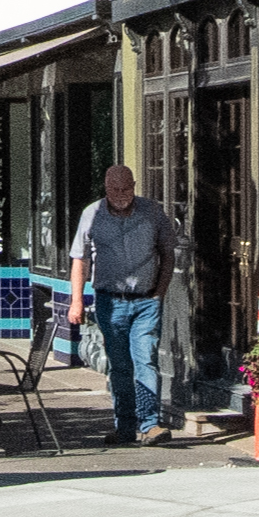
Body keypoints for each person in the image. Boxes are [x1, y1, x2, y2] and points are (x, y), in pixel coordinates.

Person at [66, 163, 181, 442]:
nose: (121, 194)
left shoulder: (152, 211)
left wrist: (159, 292)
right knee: (119, 365)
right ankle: (125, 427)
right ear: (106, 188)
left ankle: (150, 424)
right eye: (114, 189)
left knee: (146, 360)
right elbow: (80, 259)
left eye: (126, 188)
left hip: (146, 301)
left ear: (134, 185)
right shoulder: (92, 214)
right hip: (109, 301)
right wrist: (76, 302)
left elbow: (168, 253)